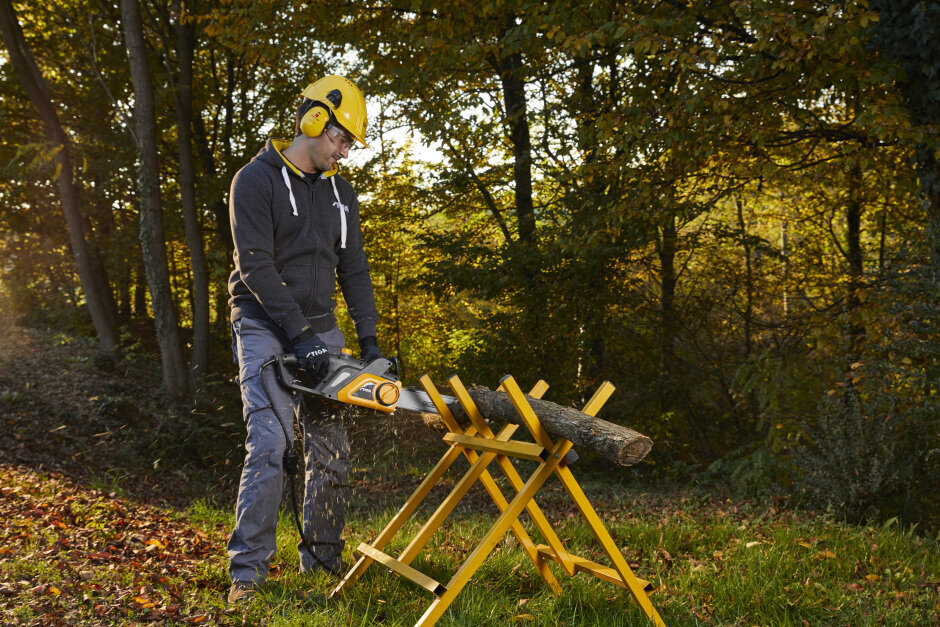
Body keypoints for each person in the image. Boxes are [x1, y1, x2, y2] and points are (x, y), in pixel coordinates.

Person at [225, 75, 381, 604]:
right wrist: (298, 333)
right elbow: (255, 267)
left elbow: (354, 269)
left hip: (322, 330)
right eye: (341, 138)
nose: (344, 151)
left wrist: (371, 341)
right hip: (264, 324)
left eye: (349, 144)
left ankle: (322, 562)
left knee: (331, 449)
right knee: (272, 444)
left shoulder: (342, 193)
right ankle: (247, 576)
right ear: (313, 120)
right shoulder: (256, 180)